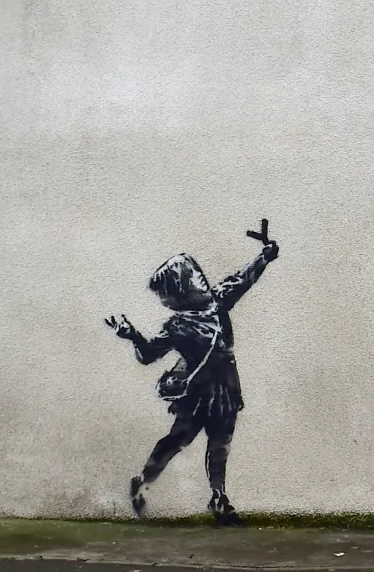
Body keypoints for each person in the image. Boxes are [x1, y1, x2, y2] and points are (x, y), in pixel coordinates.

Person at [104, 224, 279, 525]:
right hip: (198, 394)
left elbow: (245, 277)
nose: (201, 280)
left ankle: (218, 497)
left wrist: (266, 253)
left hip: (224, 389)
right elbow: (148, 354)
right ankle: (143, 480)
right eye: (194, 278)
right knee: (178, 439)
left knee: (220, 444)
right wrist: (132, 336)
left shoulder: (218, 299)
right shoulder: (177, 325)